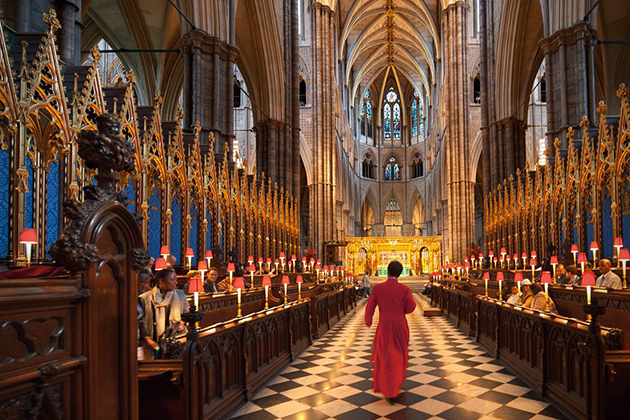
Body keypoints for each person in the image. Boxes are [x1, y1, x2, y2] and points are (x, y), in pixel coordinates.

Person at [365, 261, 416, 405]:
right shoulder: (404, 289)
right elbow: (410, 307)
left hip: (385, 326)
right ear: (399, 273)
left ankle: (389, 389)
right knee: (400, 355)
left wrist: (368, 321)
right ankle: (395, 386)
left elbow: (370, 307)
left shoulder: (378, 288)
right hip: (400, 326)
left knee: (385, 356)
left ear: (387, 271)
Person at [139, 269, 190, 358]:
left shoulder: (180, 295)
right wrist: (147, 339)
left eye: (176, 280)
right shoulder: (144, 298)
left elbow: (187, 313)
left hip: (176, 340)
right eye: (172, 280)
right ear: (161, 281)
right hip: (152, 341)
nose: (175, 283)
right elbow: (140, 322)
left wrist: (182, 322)